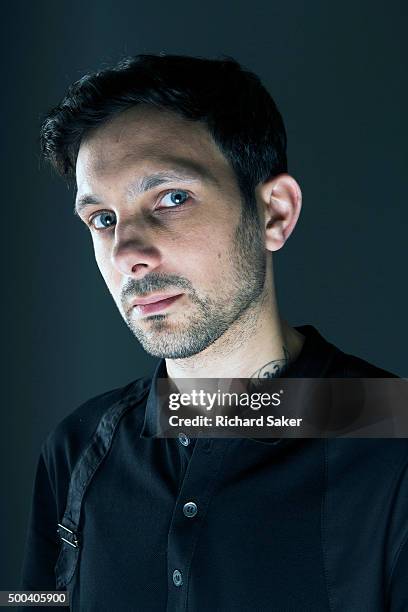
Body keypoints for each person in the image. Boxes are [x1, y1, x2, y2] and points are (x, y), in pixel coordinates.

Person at [20, 54, 407, 611]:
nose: (127, 252)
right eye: (103, 219)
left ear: (274, 213)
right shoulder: (76, 448)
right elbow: (32, 602)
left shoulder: (391, 439)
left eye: (171, 199)